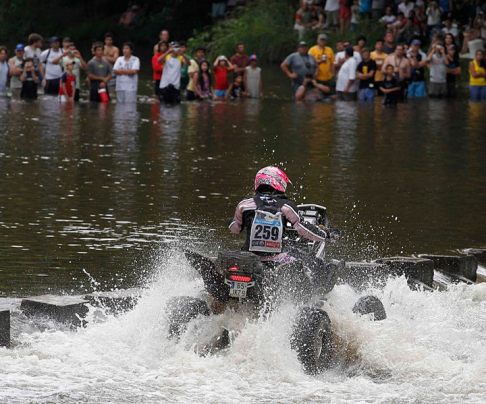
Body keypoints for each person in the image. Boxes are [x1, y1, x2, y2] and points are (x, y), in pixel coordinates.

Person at [229, 167, 329, 265]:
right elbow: (303, 229)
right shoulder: (285, 206)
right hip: (276, 260)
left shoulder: (244, 204)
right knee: (312, 261)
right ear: (279, 182)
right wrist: (325, 235)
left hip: (250, 259)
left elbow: (235, 229)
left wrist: (231, 221)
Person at [444, 33, 460, 98]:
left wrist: (448, 70)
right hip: (442, 80)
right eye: (447, 38)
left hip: (451, 79)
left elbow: (458, 71)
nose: (448, 39)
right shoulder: (442, 49)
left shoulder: (455, 56)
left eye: (450, 38)